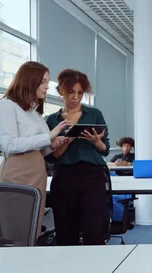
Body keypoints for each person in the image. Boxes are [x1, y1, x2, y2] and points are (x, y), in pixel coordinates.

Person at [0, 61, 71, 239]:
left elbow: (39, 149)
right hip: (17, 172)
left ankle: (30, 262)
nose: (46, 87)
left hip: (37, 171)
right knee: (17, 229)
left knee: (33, 228)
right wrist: (48, 136)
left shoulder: (33, 111)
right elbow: (9, 145)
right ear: (29, 80)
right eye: (43, 81)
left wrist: (53, 143)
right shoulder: (6, 105)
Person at [46, 68, 110, 246]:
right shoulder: (52, 120)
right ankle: (68, 271)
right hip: (64, 177)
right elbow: (53, 156)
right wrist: (70, 139)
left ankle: (98, 271)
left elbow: (105, 150)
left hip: (93, 176)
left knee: (94, 231)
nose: (75, 97)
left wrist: (97, 142)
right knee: (66, 232)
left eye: (80, 93)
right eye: (70, 92)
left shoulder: (94, 114)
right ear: (60, 91)